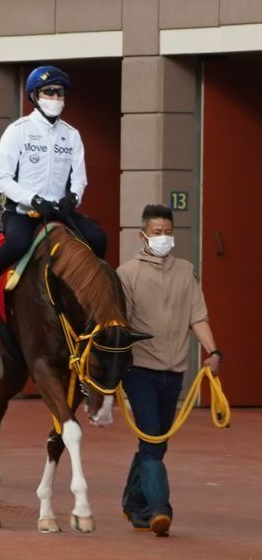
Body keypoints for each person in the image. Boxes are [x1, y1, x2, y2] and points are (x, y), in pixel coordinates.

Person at [117, 204, 221, 537]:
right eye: (157, 233)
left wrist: (213, 352)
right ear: (143, 235)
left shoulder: (185, 271)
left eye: (168, 233)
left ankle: (133, 503)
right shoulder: (127, 274)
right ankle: (159, 510)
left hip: (174, 371)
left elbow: (197, 317)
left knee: (157, 445)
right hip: (140, 371)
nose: (163, 238)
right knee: (151, 438)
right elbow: (121, 325)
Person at [0, 65, 107, 299]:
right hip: (23, 212)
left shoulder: (72, 134)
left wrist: (74, 197)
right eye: (49, 92)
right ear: (35, 96)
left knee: (97, 238)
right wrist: (33, 200)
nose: (56, 98)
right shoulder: (17, 131)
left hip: (58, 210)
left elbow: (79, 178)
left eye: (60, 93)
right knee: (19, 243)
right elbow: (2, 179)